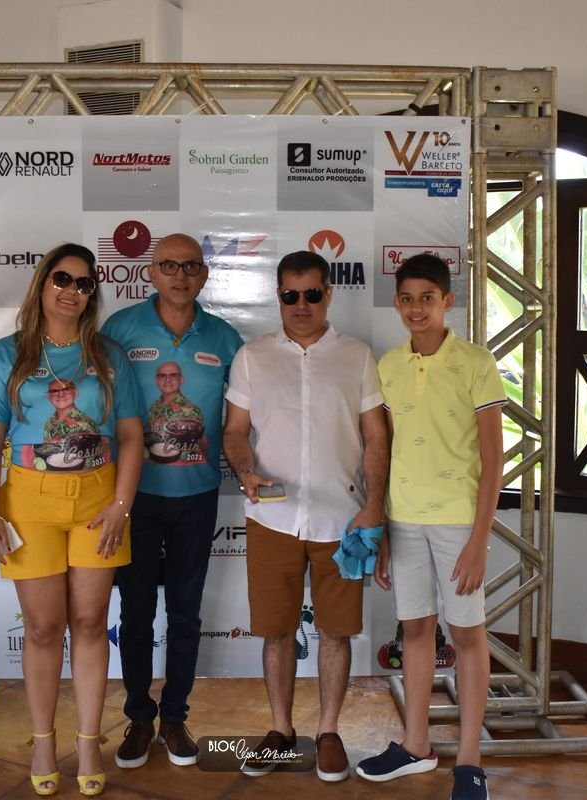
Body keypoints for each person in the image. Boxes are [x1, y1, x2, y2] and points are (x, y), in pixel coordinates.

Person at [0, 243, 143, 797]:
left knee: (91, 624)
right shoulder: (9, 354)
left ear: (93, 294)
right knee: (44, 628)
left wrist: (120, 505)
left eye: (84, 283)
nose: (73, 291)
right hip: (29, 501)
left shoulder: (109, 356)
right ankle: (43, 742)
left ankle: (89, 742)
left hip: (98, 501)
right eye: (62, 279)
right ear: (43, 284)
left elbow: (130, 436)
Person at [222, 250, 388, 783]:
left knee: (336, 633)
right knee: (276, 633)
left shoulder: (357, 356)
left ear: (328, 295)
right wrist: (245, 470)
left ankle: (330, 732)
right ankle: (280, 731)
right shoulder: (252, 356)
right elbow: (234, 431)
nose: (301, 304)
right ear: (278, 296)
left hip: (342, 520)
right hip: (273, 518)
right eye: (290, 295)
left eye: (312, 294)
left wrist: (374, 506)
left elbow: (376, 437)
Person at [354, 253, 504, 800]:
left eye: (427, 298)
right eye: (407, 299)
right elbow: (385, 449)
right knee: (415, 631)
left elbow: (495, 458)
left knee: (466, 635)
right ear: (397, 304)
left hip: (459, 522)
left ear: (447, 301)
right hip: (404, 518)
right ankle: (416, 746)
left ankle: (469, 761)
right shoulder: (389, 365)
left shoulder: (476, 362)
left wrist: (480, 540)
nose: (416, 308)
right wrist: (384, 528)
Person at [101, 233, 243, 770]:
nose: (180, 276)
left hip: (197, 497)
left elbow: (249, 413)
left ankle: (175, 716)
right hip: (133, 497)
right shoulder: (119, 329)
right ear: (151, 273)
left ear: (203, 274)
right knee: (136, 613)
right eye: (168, 265)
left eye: (190, 266)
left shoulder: (225, 338)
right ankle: (139, 716)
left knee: (185, 612)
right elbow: (90, 393)